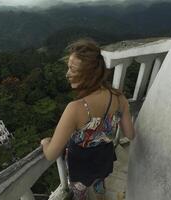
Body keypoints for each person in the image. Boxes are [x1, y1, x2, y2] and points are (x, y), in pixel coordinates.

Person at [40, 39, 134, 200]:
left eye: (72, 69)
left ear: (90, 74)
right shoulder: (119, 97)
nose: (67, 74)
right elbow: (130, 135)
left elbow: (50, 154)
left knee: (80, 192)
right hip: (104, 156)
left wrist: (45, 143)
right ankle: (100, 192)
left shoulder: (75, 108)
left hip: (81, 164)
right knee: (100, 179)